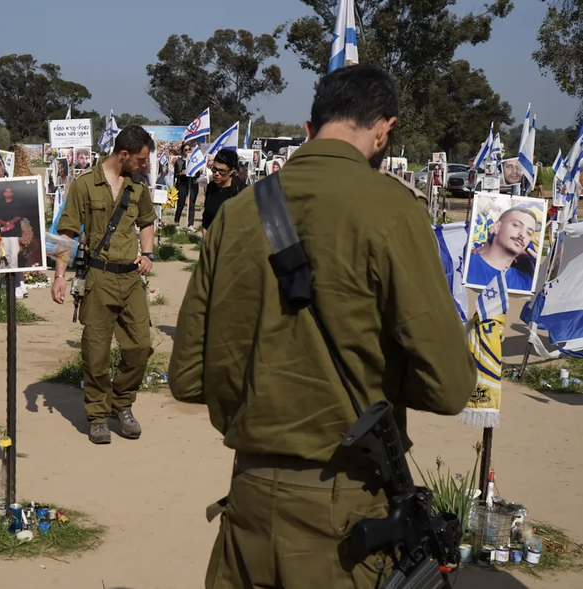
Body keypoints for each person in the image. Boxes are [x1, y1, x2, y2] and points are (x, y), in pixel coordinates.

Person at [168, 65, 475, 589]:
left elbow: (188, 376)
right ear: (384, 130)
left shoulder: (238, 214)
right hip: (348, 515)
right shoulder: (392, 211)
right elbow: (450, 388)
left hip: (248, 497)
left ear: (309, 129)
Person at [51, 125, 157, 445]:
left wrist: (148, 253)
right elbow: (66, 233)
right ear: (123, 155)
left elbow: (147, 221)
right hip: (98, 279)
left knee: (140, 346)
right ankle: (98, 415)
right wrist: (59, 275)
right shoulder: (85, 185)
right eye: (141, 160)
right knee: (95, 354)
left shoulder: (138, 187)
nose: (145, 166)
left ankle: (121, 405)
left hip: (130, 278)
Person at [466, 206, 538, 291]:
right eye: (516, 225)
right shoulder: (463, 264)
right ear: (497, 227)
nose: (523, 234)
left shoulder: (526, 283)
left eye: (529, 233)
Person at [201, 148, 245, 237]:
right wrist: (205, 231)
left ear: (232, 171)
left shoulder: (241, 190)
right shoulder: (211, 187)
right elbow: (207, 215)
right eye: (214, 169)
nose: (216, 174)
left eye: (222, 171)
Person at [174, 143, 197, 231]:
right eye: (186, 150)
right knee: (181, 204)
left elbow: (198, 174)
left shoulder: (194, 160)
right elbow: (176, 174)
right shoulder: (178, 161)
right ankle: (177, 222)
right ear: (182, 151)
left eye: (189, 149)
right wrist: (180, 174)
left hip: (192, 184)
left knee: (191, 205)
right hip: (182, 184)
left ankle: (190, 224)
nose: (188, 151)